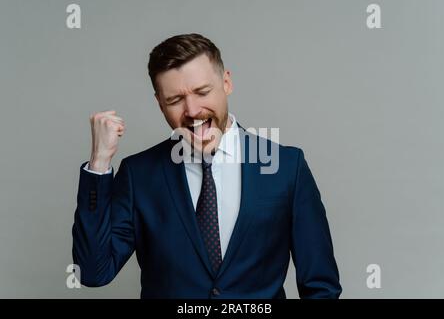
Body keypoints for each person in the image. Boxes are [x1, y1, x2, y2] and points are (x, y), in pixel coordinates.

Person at [72, 33, 342, 299]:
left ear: (226, 82)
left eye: (202, 92)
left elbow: (321, 287)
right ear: (159, 104)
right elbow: (94, 272)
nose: (191, 110)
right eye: (175, 100)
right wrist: (99, 163)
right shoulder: (138, 175)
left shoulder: (286, 168)